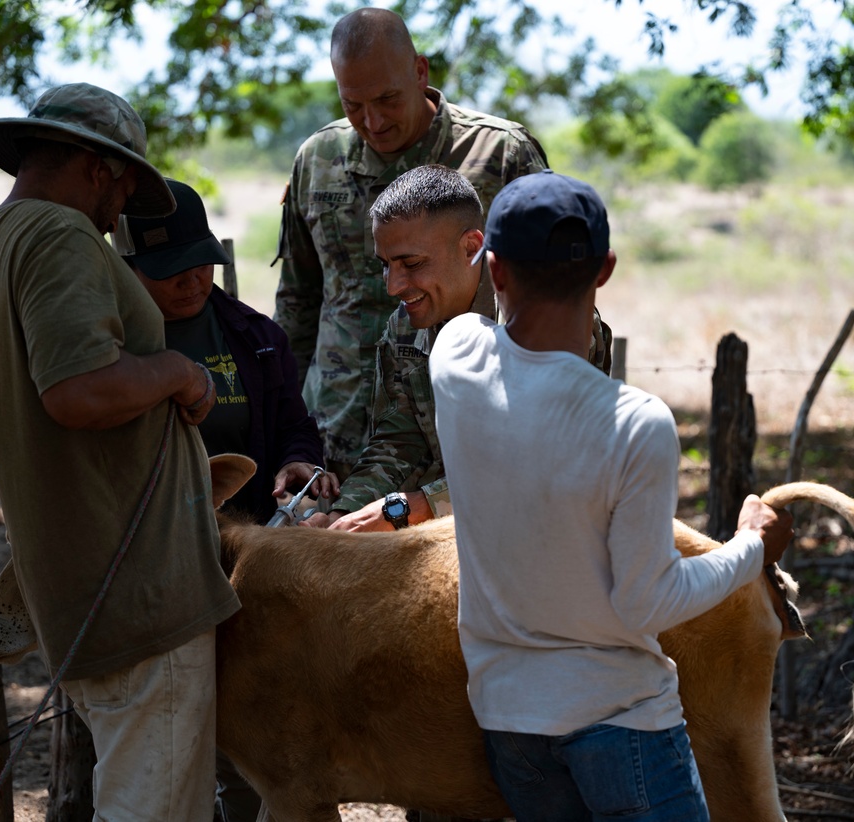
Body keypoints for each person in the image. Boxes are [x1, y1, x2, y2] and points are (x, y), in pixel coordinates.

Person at [0, 83, 236, 820]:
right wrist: (178, 372)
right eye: (122, 189)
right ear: (96, 167)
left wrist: (29, 457)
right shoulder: (60, 236)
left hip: (73, 588)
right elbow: (78, 392)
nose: (118, 214)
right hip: (140, 588)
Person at [428, 169, 795, 821]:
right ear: (606, 270)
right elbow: (647, 600)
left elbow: (473, 321)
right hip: (621, 722)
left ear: (495, 270)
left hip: (509, 721)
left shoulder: (455, 358)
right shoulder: (633, 422)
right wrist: (750, 548)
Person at [274, 7, 549, 481]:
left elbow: (547, 300)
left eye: (387, 99)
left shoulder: (500, 154)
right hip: (338, 432)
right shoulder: (317, 160)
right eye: (352, 104)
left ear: (420, 72)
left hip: (459, 437)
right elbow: (298, 300)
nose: (373, 121)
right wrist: (287, 427)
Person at [303, 164, 610, 532]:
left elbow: (536, 462)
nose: (393, 286)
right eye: (385, 265)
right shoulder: (404, 326)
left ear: (471, 248)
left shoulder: (551, 322)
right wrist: (344, 515)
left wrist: (411, 508)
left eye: (412, 263)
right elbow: (400, 438)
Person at [114, 178, 339, 527]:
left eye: (202, 263)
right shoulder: (108, 343)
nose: (191, 281)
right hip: (141, 533)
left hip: (246, 535)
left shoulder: (258, 338)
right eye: (171, 269)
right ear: (127, 268)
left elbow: (294, 425)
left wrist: (296, 459)